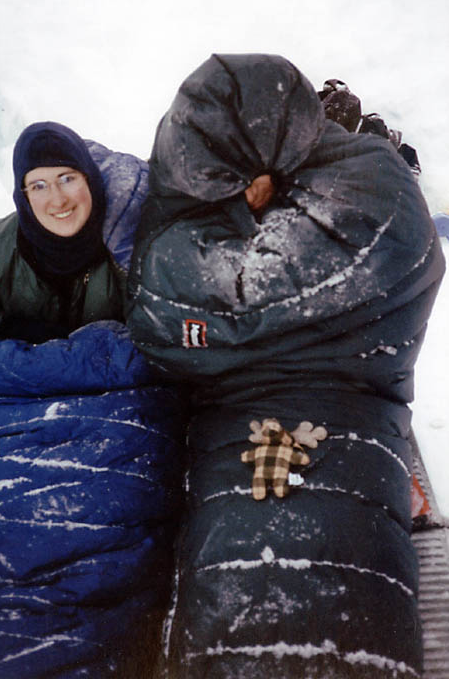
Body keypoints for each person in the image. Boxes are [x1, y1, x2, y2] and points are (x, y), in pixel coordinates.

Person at [126, 54, 445, 678]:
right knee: (234, 576)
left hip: (348, 394)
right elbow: (162, 316)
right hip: (234, 412)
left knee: (339, 571)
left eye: (249, 174)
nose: (244, 193)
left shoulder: (367, 175)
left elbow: (386, 258)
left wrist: (245, 327)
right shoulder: (186, 187)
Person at [0, 121, 125, 343]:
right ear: (23, 197)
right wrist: (15, 329)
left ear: (90, 179)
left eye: (67, 178)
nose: (58, 199)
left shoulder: (128, 246)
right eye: (39, 186)